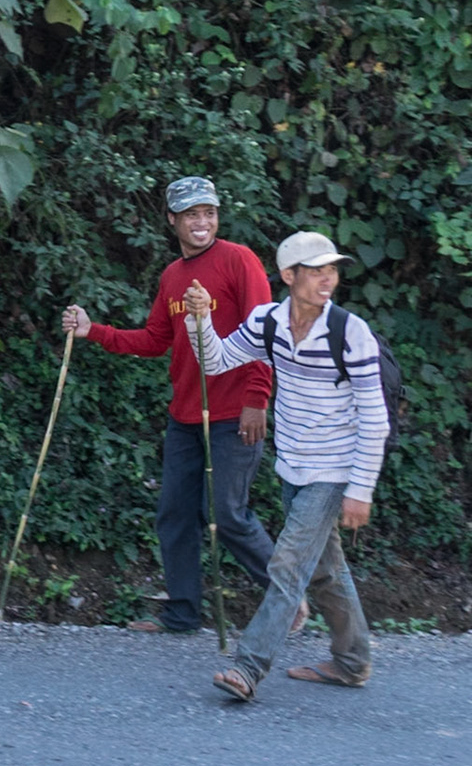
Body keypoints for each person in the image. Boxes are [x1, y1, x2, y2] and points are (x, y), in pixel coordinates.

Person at [63, 177, 280, 634]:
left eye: (208, 212)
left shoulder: (240, 260)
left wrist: (257, 399)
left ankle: (287, 598)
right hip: (185, 416)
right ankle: (182, 613)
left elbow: (265, 332)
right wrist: (93, 331)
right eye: (190, 215)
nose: (201, 222)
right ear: (172, 221)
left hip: (234, 413)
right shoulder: (172, 277)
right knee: (175, 514)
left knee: (227, 513)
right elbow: (155, 340)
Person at [183, 230, 389, 700]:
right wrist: (201, 320)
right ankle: (353, 662)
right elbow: (215, 363)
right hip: (292, 466)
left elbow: (374, 419)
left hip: (334, 470)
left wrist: (361, 489)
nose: (327, 280)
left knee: (288, 566)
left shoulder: (350, 332)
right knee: (324, 572)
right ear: (288, 276)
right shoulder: (268, 323)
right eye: (316, 271)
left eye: (332, 270)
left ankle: (248, 667)